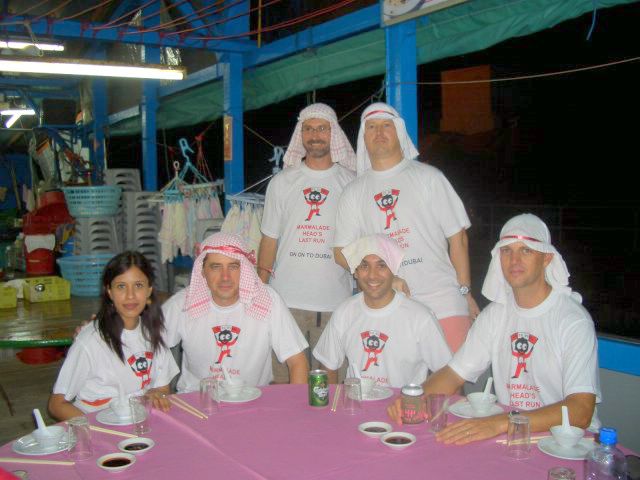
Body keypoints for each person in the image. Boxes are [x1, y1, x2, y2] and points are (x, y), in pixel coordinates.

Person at [387, 213, 601, 445]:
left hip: (566, 443)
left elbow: (580, 411)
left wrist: (498, 423)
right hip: (512, 436)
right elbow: (454, 373)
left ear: (546, 258)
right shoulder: (496, 315)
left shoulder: (572, 320)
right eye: (507, 251)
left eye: (526, 250)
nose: (514, 260)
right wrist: (414, 398)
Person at [333, 102, 479, 353]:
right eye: (371, 127)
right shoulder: (353, 192)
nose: (379, 132)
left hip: (443, 301)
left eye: (386, 125)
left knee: (453, 374)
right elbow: (340, 252)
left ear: (399, 131)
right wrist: (384, 279)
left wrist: (464, 292)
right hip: (388, 306)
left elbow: (458, 238)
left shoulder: (429, 177)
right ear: (363, 137)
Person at [258, 103, 356, 372]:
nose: (315, 135)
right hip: (285, 303)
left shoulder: (351, 182)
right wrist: (260, 292)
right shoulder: (281, 182)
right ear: (300, 135)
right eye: (309, 129)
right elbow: (269, 240)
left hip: (336, 303)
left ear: (334, 133)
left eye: (322, 128)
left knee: (331, 386)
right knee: (285, 386)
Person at [162, 232, 309, 392]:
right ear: (203, 271)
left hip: (254, 402)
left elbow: (297, 362)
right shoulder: (182, 304)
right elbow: (148, 346)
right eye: (216, 267)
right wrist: (161, 390)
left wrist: (296, 404)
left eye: (233, 266)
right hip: (197, 401)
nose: (225, 277)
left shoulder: (268, 300)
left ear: (245, 269)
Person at [49, 251, 179, 421]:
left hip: (139, 422)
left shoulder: (154, 332)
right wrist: (96, 429)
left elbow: (163, 388)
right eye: (121, 286)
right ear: (109, 292)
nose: (130, 295)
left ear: (149, 290)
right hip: (98, 425)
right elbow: (57, 405)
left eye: (138, 285)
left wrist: (156, 394)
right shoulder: (90, 340)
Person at [313, 234, 451, 387]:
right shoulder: (344, 312)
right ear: (355, 272)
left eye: (381, 266)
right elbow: (328, 366)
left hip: (403, 401)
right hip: (356, 400)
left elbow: (446, 374)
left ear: (394, 270)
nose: (372, 275)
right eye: (365, 266)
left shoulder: (420, 317)